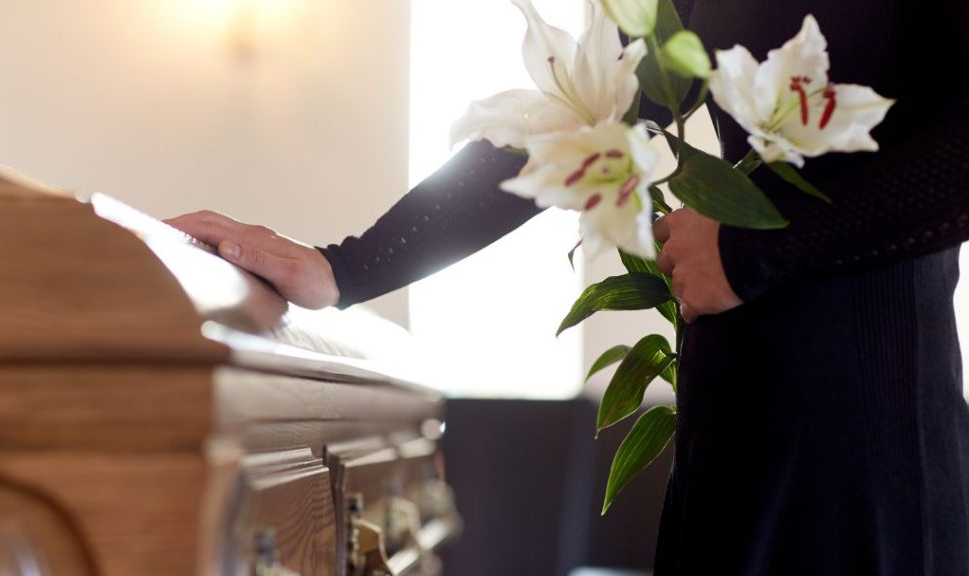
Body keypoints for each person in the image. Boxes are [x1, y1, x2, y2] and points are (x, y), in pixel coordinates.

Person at [168, 0, 969, 573]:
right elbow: (572, 122)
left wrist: (761, 250)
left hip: (871, 426)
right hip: (733, 414)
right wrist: (348, 266)